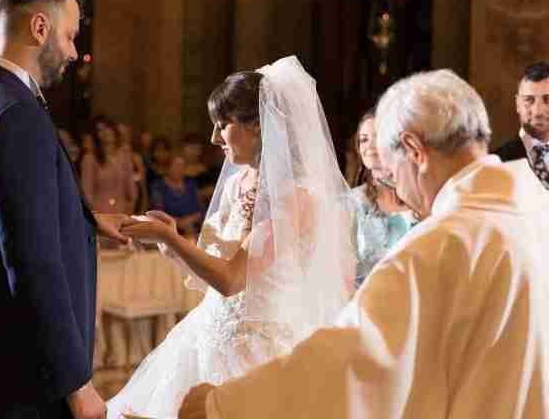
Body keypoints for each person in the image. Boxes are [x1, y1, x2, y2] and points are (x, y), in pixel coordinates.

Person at [179, 69, 549, 419]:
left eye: (391, 169)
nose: (396, 186)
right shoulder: (536, 212)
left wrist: (222, 406)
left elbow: (353, 361)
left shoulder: (436, 248)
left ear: (414, 150)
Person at [107, 56, 356, 419]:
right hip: (210, 331)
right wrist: (171, 242)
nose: (213, 138)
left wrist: (172, 240)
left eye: (223, 125)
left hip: (262, 342)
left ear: (258, 126)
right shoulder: (237, 184)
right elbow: (211, 271)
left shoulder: (297, 196)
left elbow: (231, 279)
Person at [0, 0, 128, 419]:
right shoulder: (15, 114)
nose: (74, 52)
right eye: (70, 36)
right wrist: (76, 384)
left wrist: (84, 218)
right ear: (40, 27)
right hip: (18, 383)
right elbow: (31, 261)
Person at [352, 110, 417, 285]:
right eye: (364, 139)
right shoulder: (352, 202)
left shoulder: (421, 196)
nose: (369, 146)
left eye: (377, 137)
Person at [493, 62, 549, 189]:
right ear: (517, 104)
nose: (538, 112)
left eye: (548, 100)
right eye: (529, 100)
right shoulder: (498, 161)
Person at [81, 115, 137, 215]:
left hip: (123, 213)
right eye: (100, 130)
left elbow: (132, 191)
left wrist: (128, 211)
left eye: (107, 128)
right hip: (100, 215)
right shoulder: (90, 159)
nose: (105, 132)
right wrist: (97, 217)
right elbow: (87, 194)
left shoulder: (125, 157)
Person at [150, 155, 203, 237]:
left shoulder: (191, 184)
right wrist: (179, 222)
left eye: (182, 166)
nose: (179, 169)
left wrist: (189, 220)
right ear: (167, 168)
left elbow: (201, 209)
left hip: (193, 229)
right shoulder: (158, 186)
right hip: (168, 231)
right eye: (175, 166)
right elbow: (158, 213)